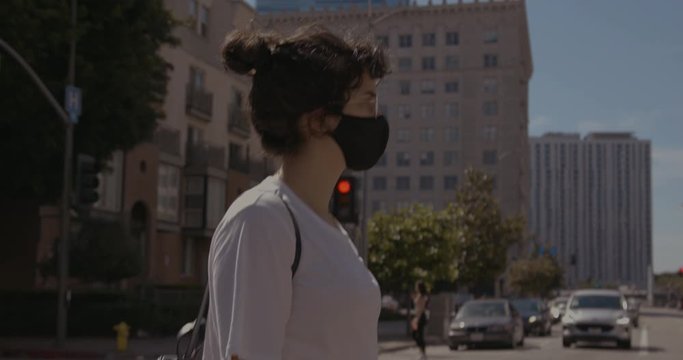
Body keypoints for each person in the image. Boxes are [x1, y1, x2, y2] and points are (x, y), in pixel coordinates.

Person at [201, 25, 389, 360]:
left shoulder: (326, 225)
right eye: (367, 103)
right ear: (317, 121)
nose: (377, 120)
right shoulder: (261, 220)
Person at [411, 281, 430, 360]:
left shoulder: (423, 297)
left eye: (417, 286)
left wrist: (416, 319)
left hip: (420, 317)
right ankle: (421, 352)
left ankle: (423, 353)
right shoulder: (418, 295)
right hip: (417, 316)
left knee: (419, 336)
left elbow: (421, 309)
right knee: (415, 335)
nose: (416, 287)